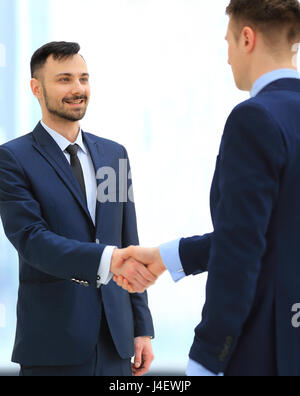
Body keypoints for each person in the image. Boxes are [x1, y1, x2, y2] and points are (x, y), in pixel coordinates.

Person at [114, 0, 300, 376]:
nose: (228, 57)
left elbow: (242, 249)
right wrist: (169, 257)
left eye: (228, 42)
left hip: (268, 350)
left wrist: (208, 356)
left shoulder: (254, 118)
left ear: (247, 39)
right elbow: (276, 234)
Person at [0, 41, 156, 376]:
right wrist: (106, 260)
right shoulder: (13, 159)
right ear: (35, 88)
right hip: (53, 343)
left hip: (116, 339)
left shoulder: (115, 155)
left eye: (83, 79)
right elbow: (32, 241)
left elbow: (130, 240)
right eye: (64, 79)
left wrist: (141, 327)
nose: (78, 89)